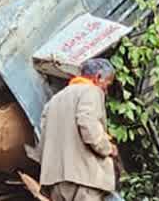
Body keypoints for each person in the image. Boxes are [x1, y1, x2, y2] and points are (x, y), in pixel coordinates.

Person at [39, 58, 119, 201]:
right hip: (83, 180)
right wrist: (108, 148)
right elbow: (88, 126)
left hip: (55, 182)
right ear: (98, 77)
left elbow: (43, 139)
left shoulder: (54, 100)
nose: (106, 91)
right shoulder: (91, 91)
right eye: (107, 84)